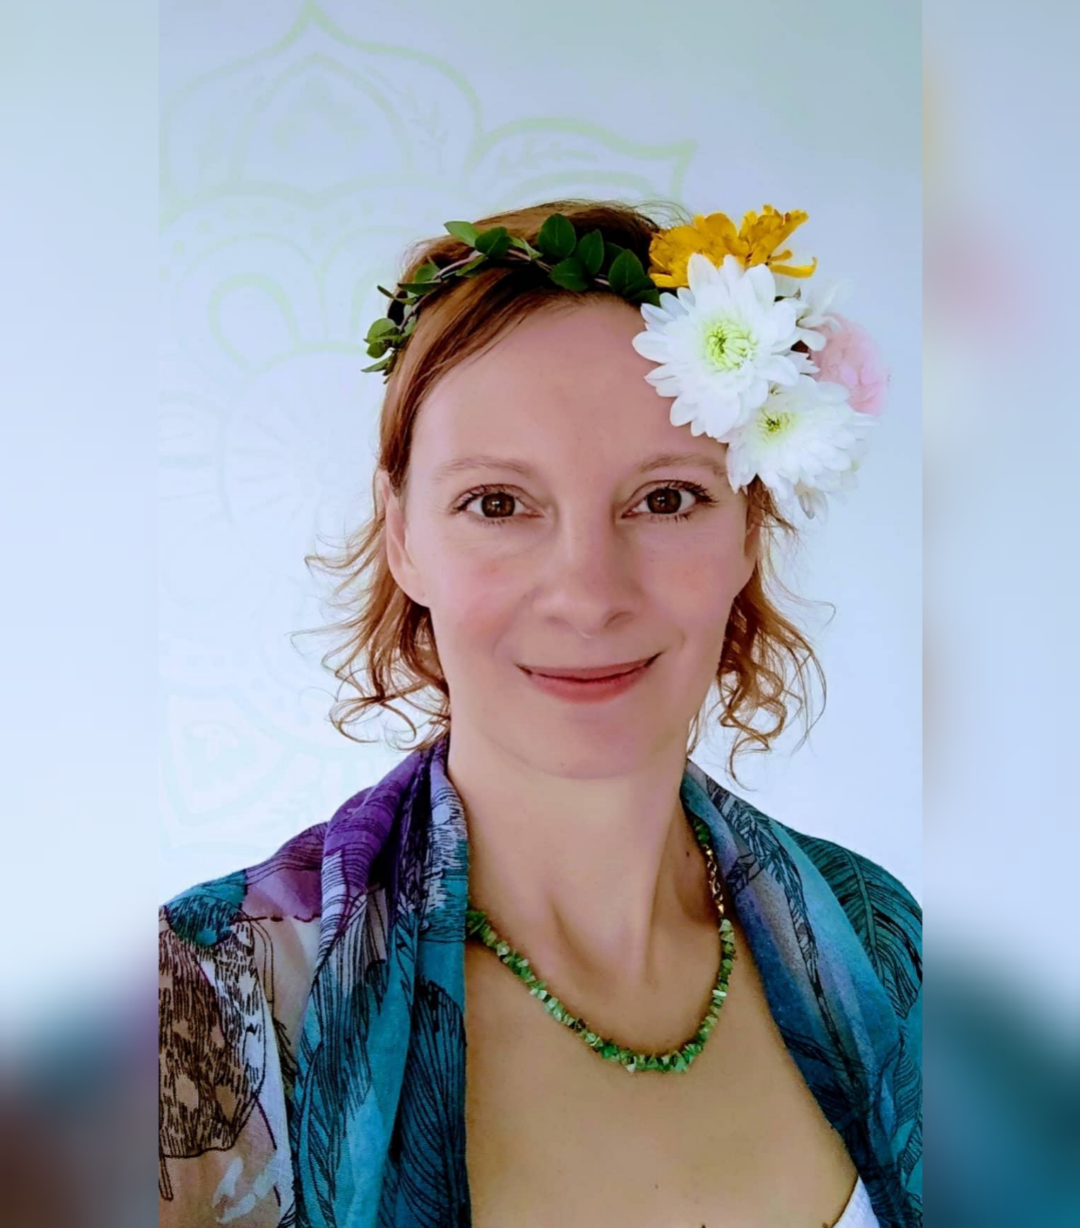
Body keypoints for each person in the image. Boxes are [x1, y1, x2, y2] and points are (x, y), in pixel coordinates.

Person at [159, 198, 921, 1227]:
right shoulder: (206, 1002)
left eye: (666, 498)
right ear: (403, 536)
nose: (589, 596)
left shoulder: (886, 942)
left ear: (749, 527)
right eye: (498, 503)